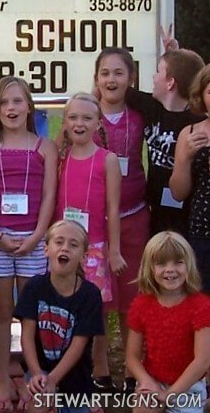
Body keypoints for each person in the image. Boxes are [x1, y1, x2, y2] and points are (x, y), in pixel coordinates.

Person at [0, 76, 57, 412]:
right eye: (4, 102)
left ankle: (32, 377)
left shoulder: (45, 146)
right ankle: (3, 381)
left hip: (34, 241)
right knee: (0, 311)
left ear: (29, 106)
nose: (11, 108)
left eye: (18, 101)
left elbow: (50, 193)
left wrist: (37, 236)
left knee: (32, 313)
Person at [56, 93, 126, 395]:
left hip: (94, 247)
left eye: (87, 118)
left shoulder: (106, 160)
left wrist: (114, 250)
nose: (79, 123)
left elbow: (113, 208)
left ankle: (100, 367)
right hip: (62, 247)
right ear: (65, 123)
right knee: (63, 305)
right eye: (73, 117)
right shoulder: (61, 158)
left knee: (94, 309)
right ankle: (66, 366)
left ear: (98, 123)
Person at [92, 48, 149, 393]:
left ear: (131, 78)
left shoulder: (141, 116)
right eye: (104, 73)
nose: (111, 79)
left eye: (118, 73)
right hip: (95, 220)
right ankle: (99, 367)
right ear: (96, 78)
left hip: (133, 215)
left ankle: (131, 367)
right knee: (97, 297)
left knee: (133, 296)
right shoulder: (84, 114)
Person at [15, 220, 104, 413]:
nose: (65, 248)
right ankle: (28, 388)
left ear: (84, 257)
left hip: (76, 377)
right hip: (40, 371)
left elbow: (78, 345)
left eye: (73, 245)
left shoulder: (90, 295)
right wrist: (38, 374)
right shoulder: (34, 287)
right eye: (59, 242)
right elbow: (27, 337)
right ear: (46, 250)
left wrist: (53, 381)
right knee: (39, 404)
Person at [126, 231, 210, 413]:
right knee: (142, 409)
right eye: (161, 263)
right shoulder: (141, 304)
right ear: (150, 268)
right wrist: (146, 381)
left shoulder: (201, 306)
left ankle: (203, 402)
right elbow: (132, 357)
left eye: (178, 262)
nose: (170, 269)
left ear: (189, 266)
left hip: (189, 386)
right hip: (153, 379)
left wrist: (170, 394)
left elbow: (202, 362)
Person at [126, 45, 205, 237]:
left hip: (187, 215)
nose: (153, 77)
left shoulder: (197, 123)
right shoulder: (151, 108)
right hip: (155, 211)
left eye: (158, 72)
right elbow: (114, 86)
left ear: (170, 83)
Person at [169, 64, 210, 293]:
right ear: (201, 97)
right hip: (201, 232)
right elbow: (178, 192)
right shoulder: (190, 133)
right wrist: (186, 157)